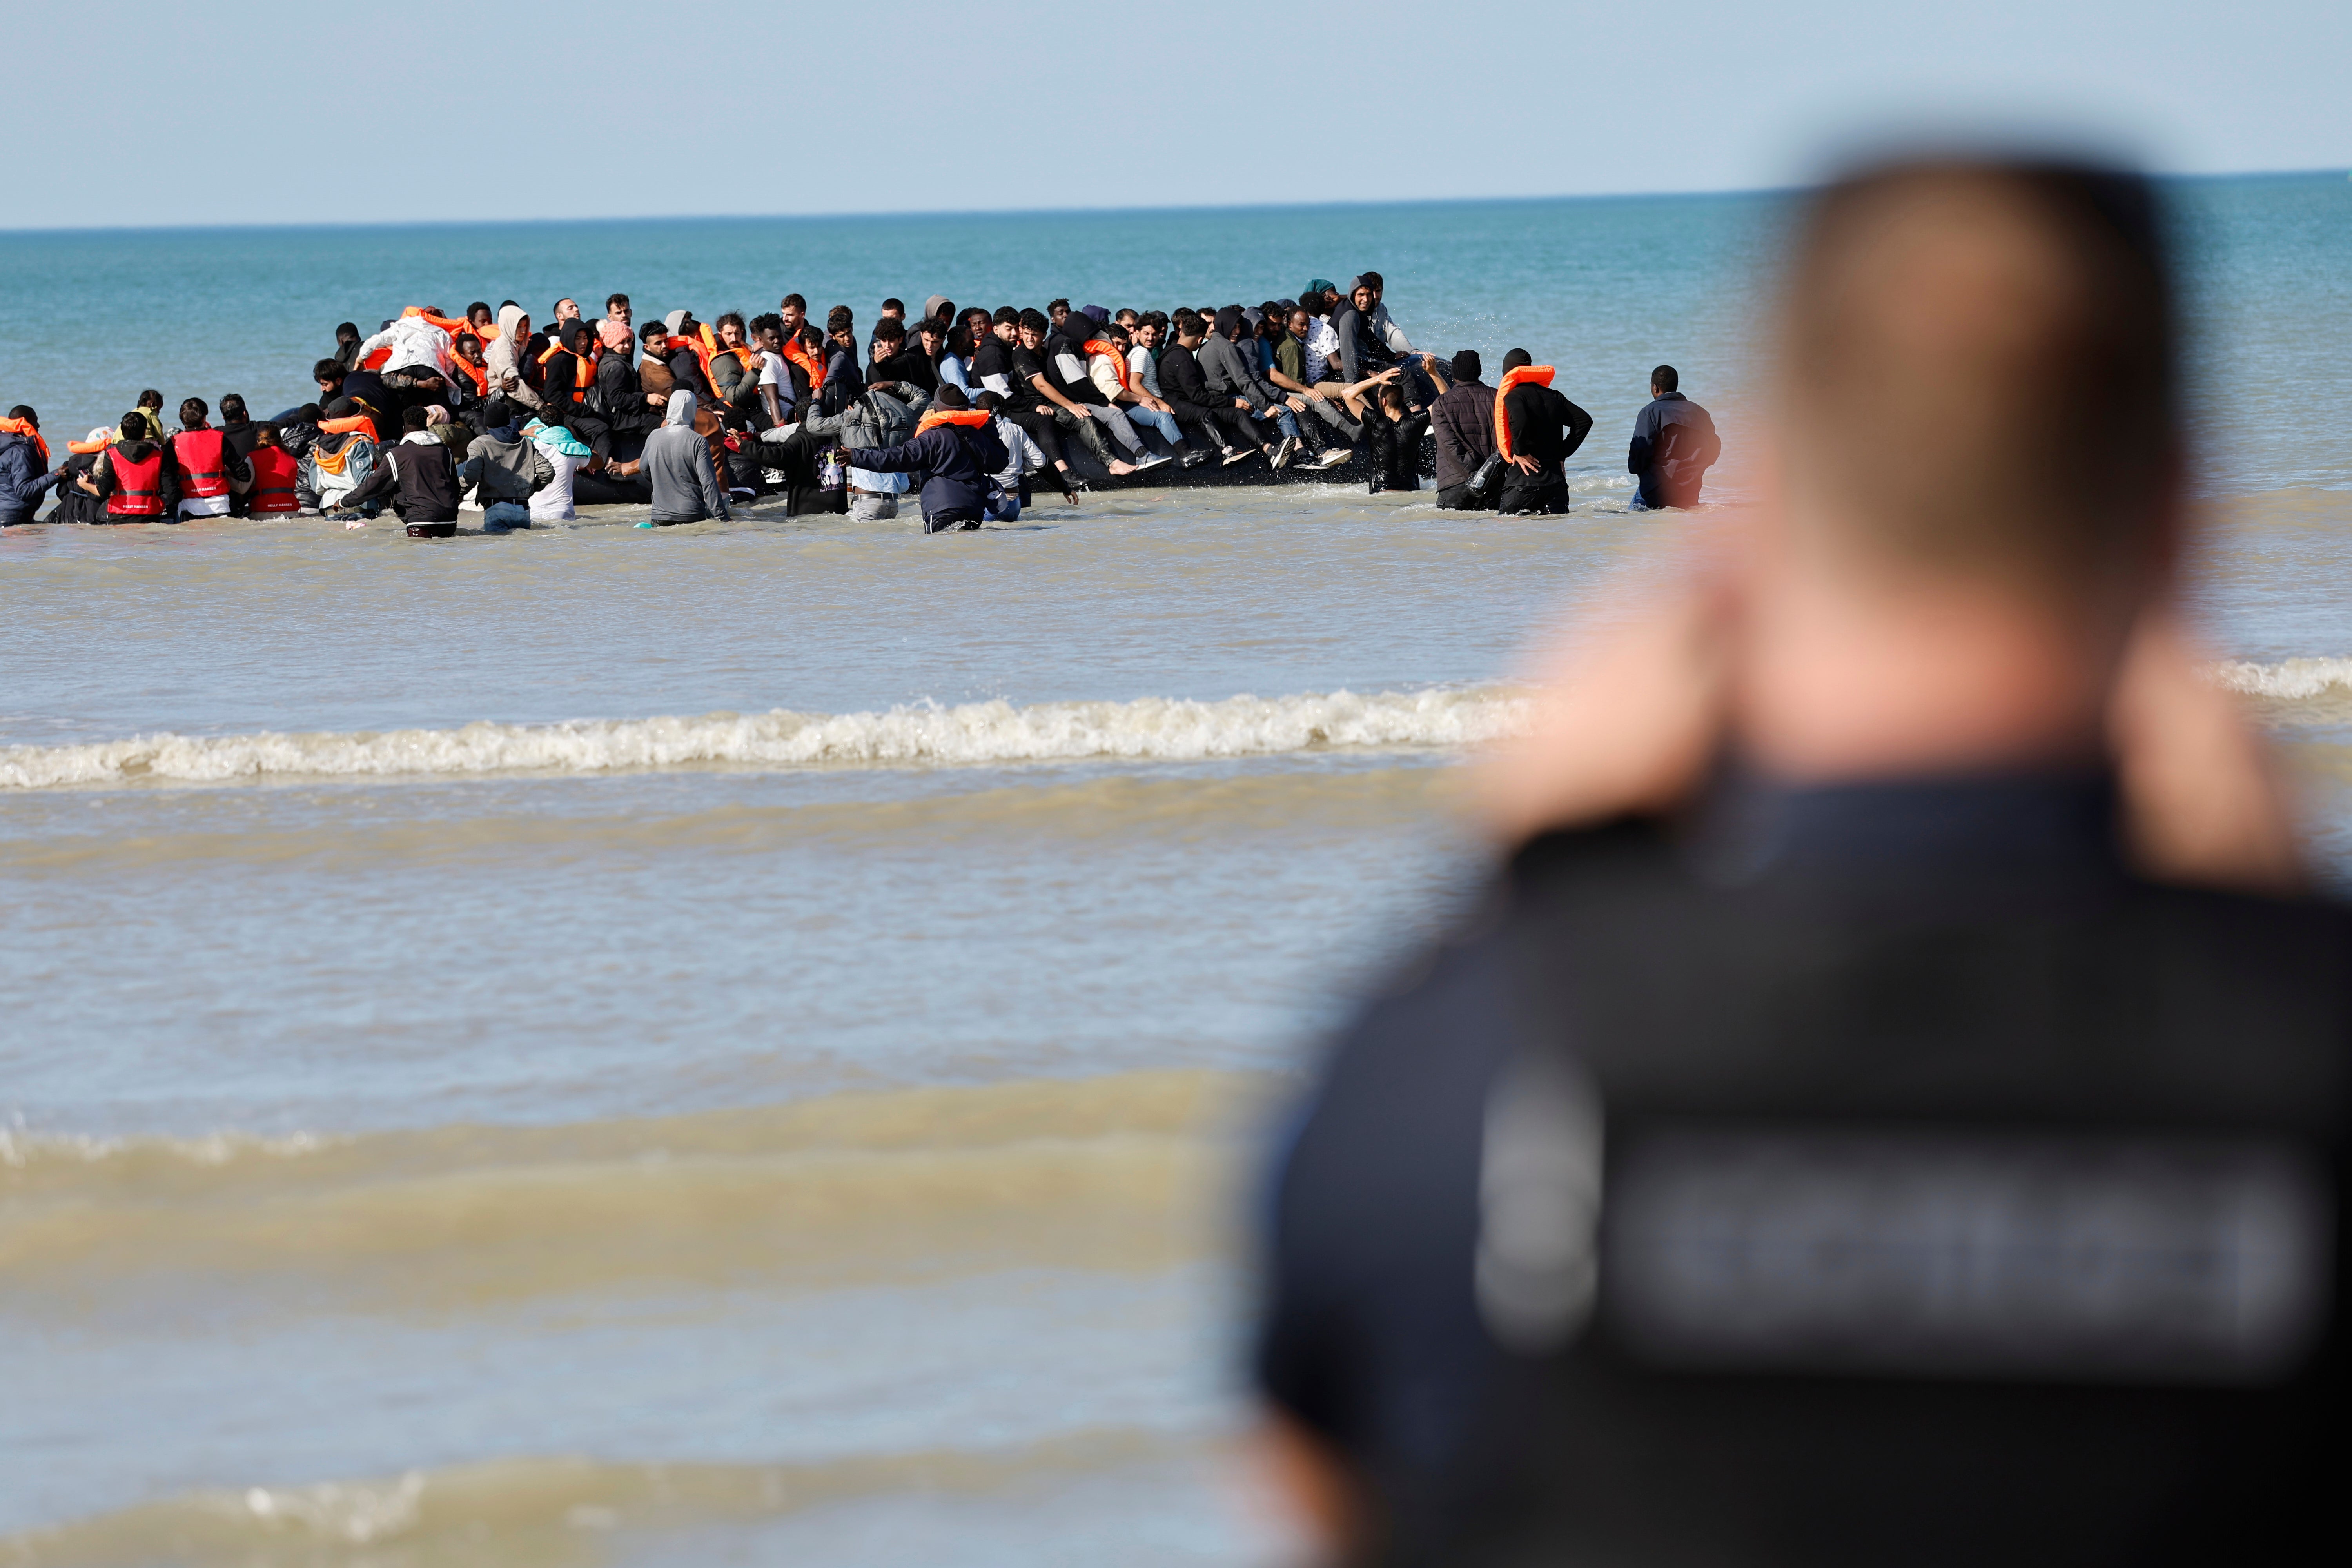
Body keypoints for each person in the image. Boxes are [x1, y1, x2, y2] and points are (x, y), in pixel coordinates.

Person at [1252, 155, 2341, 1568]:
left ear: (1768, 494)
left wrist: (1525, 896)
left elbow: (1330, 1495)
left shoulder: (1454, 1072)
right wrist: (2280, 925)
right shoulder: (2306, 1049)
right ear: (2180, 508)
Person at [842, 384, 1008, 534]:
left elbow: (895, 458)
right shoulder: (979, 436)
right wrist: (990, 431)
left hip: (942, 509)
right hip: (974, 509)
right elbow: (1000, 463)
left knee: (939, 563)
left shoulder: (931, 438)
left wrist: (856, 456)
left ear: (937, 409)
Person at [1490, 349, 1592, 515]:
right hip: (1556, 484)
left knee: (1508, 535)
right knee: (1553, 537)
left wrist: (1521, 452)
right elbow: (1584, 421)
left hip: (1523, 484)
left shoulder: (1514, 396)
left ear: (1507, 372)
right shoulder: (1554, 396)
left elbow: (1520, 420)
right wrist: (1561, 454)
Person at [1201, 306, 1304, 469]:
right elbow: (1245, 382)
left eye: (1239, 327)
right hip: (1229, 399)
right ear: (1224, 325)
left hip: (1213, 401)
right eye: (1234, 327)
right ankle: (1302, 455)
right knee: (1285, 411)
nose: (1237, 331)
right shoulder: (1227, 348)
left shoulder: (1206, 347)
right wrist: (1266, 407)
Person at [1159, 310, 1266, 464]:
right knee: (1206, 415)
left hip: (1176, 399)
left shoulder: (1170, 351)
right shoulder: (1183, 358)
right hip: (1177, 404)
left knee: (1233, 413)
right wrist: (1232, 402)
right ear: (1200, 340)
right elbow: (1198, 397)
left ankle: (1264, 447)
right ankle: (1227, 451)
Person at [1628, 365, 1722, 509]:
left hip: (1656, 493)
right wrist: (1698, 468)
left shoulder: (1650, 413)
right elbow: (1715, 446)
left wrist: (1637, 470)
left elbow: (1640, 451)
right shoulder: (1700, 412)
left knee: (1632, 518)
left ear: (1655, 388)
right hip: (1690, 489)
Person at [639, 389, 730, 526]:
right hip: (691, 514)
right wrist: (723, 517)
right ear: (692, 411)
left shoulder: (654, 436)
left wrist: (663, 482)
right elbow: (708, 482)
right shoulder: (698, 441)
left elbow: (644, 468)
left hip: (659, 516)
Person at [1429, 349, 1501, 510]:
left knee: (1456, 534)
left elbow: (1449, 445)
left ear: (1454, 375)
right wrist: (1487, 474)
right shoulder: (1499, 398)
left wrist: (1474, 475)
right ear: (1479, 372)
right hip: (1494, 482)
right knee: (1494, 533)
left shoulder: (1442, 403)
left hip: (1455, 483)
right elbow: (1506, 440)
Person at [456, 418, 553, 530]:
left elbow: (472, 476)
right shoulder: (526, 443)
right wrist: (530, 490)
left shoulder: (479, 444)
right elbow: (547, 472)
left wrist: (454, 493)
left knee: (497, 546)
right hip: (523, 509)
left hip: (496, 507)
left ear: (487, 424)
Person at [162, 397, 251, 519]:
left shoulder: (174, 443)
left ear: (183, 421)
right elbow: (245, 475)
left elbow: (166, 478)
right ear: (204, 418)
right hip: (221, 508)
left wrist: (176, 496)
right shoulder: (220, 439)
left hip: (189, 508)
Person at [80, 412, 175, 521]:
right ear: (145, 433)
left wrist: (85, 485)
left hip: (119, 516)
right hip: (150, 515)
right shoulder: (159, 457)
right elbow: (171, 492)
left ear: (123, 433)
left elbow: (103, 491)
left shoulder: (111, 455)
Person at [0, 405, 63, 524]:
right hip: (12, 519)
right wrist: (57, 474)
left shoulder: (6, 445)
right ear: (25, 423)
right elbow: (24, 491)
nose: (38, 426)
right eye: (35, 421)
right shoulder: (21, 451)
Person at [1367, 383, 1429, 494]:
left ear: (1384, 401)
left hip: (1381, 494)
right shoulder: (1415, 422)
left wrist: (1377, 379)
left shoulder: (1375, 422)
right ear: (1403, 400)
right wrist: (1433, 373)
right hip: (1410, 494)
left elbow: (1347, 394)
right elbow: (1446, 399)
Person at [243, 424, 304, 515]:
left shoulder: (252, 458)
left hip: (262, 511)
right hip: (291, 511)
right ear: (280, 440)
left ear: (258, 441)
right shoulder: (292, 459)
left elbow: (243, 488)